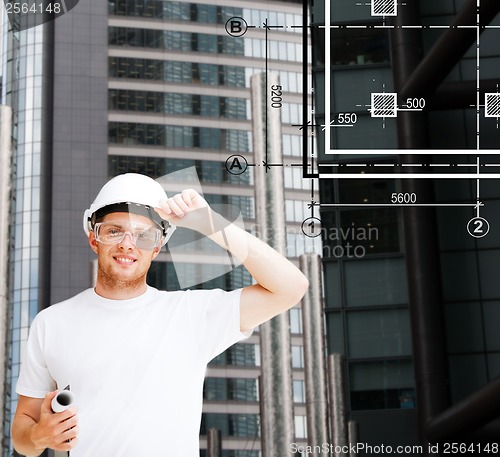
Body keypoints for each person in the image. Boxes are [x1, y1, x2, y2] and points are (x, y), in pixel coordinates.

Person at [11, 173, 309, 457]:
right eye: (114, 231)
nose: (128, 244)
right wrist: (38, 436)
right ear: (94, 239)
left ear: (156, 248)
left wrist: (210, 223)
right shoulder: (52, 323)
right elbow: (22, 431)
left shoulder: (190, 315)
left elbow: (290, 288)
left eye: (143, 236)